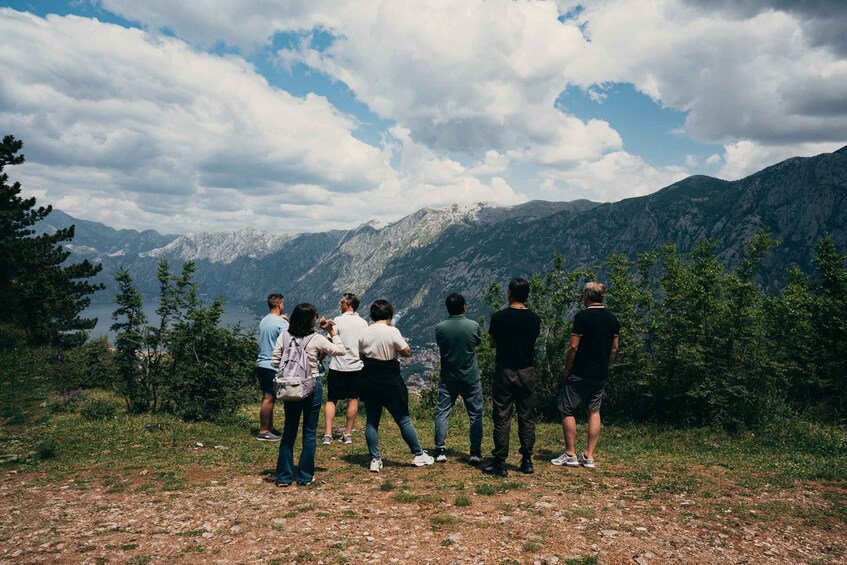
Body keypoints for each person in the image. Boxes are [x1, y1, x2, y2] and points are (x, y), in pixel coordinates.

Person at [270, 303, 346, 486]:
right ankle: (304, 476)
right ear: (311, 320)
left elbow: (274, 361)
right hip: (311, 385)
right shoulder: (316, 339)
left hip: (290, 387)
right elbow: (340, 351)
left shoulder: (285, 336)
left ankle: (283, 476)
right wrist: (333, 333)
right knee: (309, 433)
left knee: (289, 431)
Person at [358, 299, 434, 472]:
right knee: (402, 418)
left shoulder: (364, 333)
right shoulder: (392, 331)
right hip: (390, 379)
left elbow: (361, 355)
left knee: (371, 421)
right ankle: (418, 453)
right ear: (389, 315)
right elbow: (407, 352)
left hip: (370, 379)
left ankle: (375, 459)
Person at [551, 282, 619, 469]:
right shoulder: (612, 318)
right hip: (600, 373)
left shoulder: (582, 317)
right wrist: (607, 365)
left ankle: (570, 453)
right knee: (594, 411)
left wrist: (567, 368)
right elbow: (614, 348)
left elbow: (573, 346)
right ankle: (589, 455)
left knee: (567, 409)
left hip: (581, 371)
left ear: (587, 296)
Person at [484, 278, 541, 477]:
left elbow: (492, 343)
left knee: (502, 417)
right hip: (527, 371)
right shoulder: (534, 319)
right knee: (526, 416)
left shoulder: (499, 317)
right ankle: (526, 460)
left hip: (505, 370)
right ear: (527, 295)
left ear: (509, 293)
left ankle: (500, 462)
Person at [433, 293, 483, 464]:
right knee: (475, 415)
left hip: (448, 378)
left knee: (442, 413)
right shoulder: (474, 326)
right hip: (470, 377)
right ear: (464, 307)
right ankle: (475, 452)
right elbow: (476, 343)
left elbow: (441, 345)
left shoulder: (440, 327)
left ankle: (440, 449)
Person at [323, 292, 368, 445]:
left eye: (342, 302)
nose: (340, 304)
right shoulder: (363, 323)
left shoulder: (337, 321)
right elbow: (364, 346)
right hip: (356, 366)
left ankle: (328, 434)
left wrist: (319, 359)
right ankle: (347, 434)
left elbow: (329, 342)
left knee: (331, 399)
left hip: (337, 365)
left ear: (348, 305)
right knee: (353, 399)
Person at [254, 293, 288, 441]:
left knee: (269, 396)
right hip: (273, 364)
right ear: (279, 303)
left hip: (261, 363)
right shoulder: (282, 323)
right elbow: (287, 342)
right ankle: (263, 431)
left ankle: (269, 427)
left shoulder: (264, 320)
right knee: (269, 397)